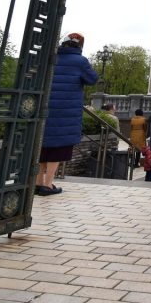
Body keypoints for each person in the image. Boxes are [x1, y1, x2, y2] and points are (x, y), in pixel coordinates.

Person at [38, 32, 98, 196]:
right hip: (66, 111)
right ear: (80, 46)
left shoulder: (52, 58)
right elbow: (92, 79)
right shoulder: (80, 61)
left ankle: (38, 182)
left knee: (42, 146)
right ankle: (48, 185)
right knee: (57, 149)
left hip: (46, 108)